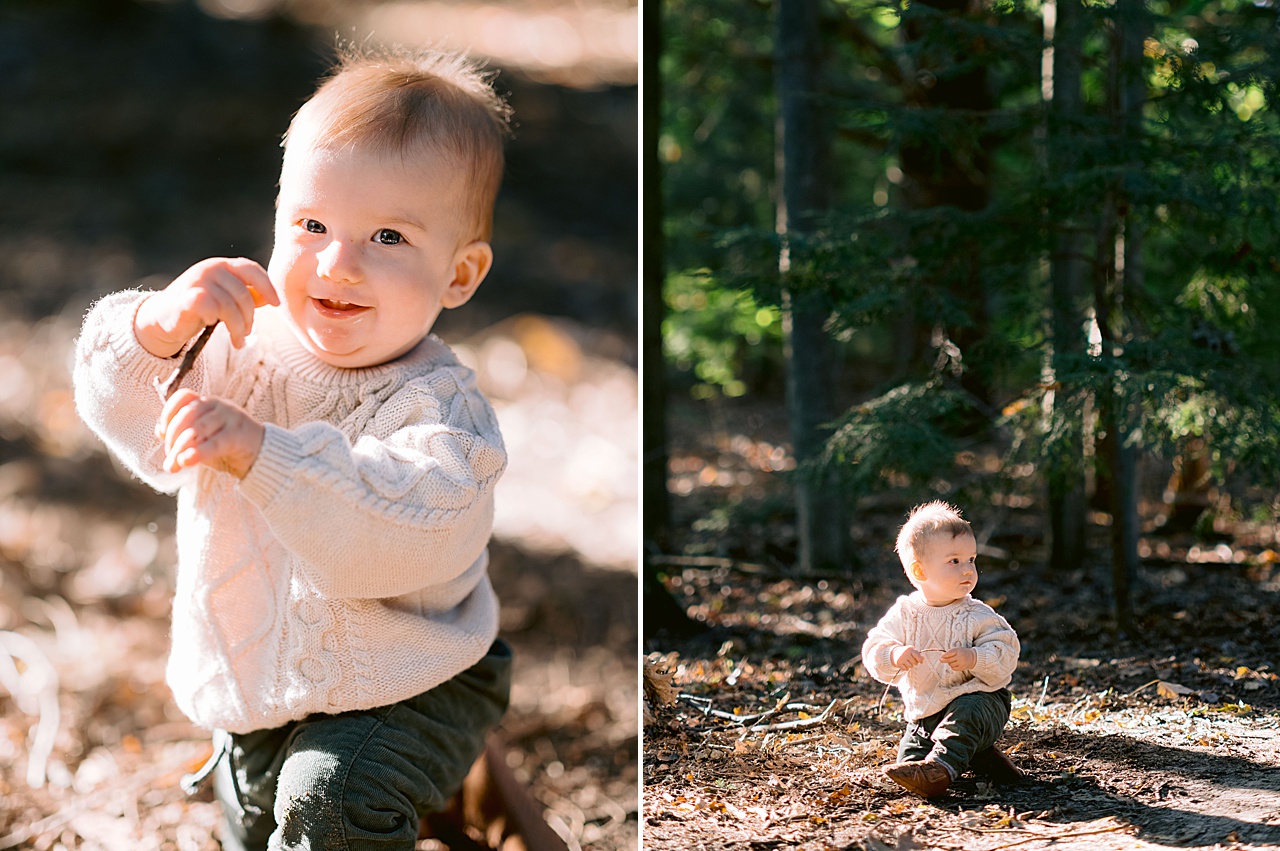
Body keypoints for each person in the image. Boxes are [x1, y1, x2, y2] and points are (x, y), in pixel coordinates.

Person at [73, 46, 515, 851]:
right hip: (263, 689)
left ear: (460, 273)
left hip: (413, 681)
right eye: (311, 225)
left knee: (332, 801)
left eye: (387, 236)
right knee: (260, 823)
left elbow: (392, 528)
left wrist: (263, 455)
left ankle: (436, 781)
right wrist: (158, 328)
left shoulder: (443, 411)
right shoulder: (240, 343)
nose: (337, 262)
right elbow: (126, 416)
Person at [861, 501, 1023, 797]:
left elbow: (1007, 651)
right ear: (920, 571)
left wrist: (975, 657)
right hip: (926, 714)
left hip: (982, 704)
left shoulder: (977, 614)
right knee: (908, 765)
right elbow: (874, 647)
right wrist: (893, 655)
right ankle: (978, 757)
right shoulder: (905, 614)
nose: (968, 570)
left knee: (966, 714)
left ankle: (942, 770)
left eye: (971, 560)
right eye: (955, 561)